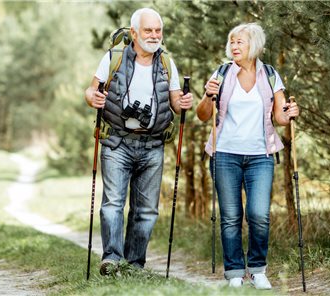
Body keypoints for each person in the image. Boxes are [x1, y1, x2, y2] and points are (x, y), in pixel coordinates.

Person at [84, 8, 193, 276]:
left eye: (158, 30)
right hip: (116, 143)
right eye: (148, 30)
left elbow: (176, 101)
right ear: (134, 32)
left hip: (153, 145)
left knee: (146, 211)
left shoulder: (167, 62)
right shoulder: (114, 57)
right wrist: (92, 98)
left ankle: (134, 265)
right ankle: (111, 259)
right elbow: (91, 89)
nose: (154, 35)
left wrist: (183, 102)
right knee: (113, 205)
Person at [196, 23, 300, 289]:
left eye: (239, 42)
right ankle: (233, 273)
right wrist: (208, 96)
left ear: (253, 45)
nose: (234, 47)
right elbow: (203, 114)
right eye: (232, 42)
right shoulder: (220, 73)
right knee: (230, 216)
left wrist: (289, 114)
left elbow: (279, 117)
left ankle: (257, 269)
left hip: (259, 156)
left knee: (259, 214)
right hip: (225, 154)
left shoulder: (270, 74)